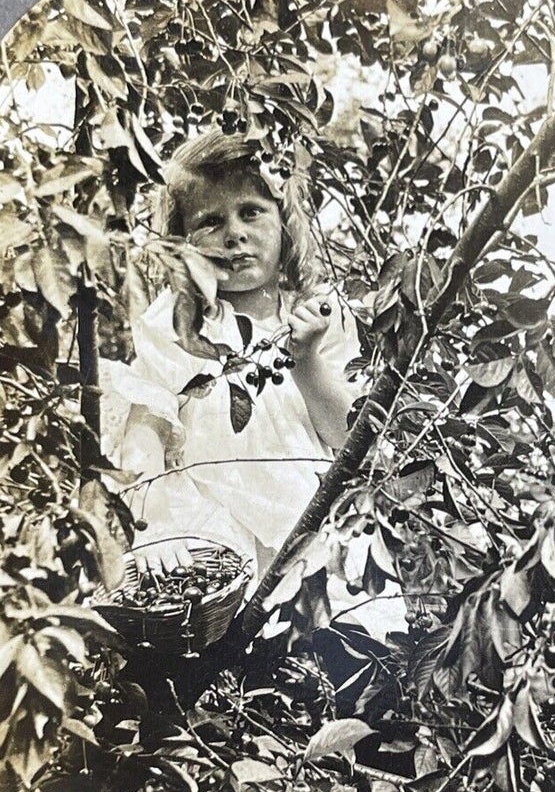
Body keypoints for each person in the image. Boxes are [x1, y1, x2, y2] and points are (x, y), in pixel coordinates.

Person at [98, 129, 362, 585]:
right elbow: (145, 434)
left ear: (283, 222)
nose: (234, 234)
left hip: (308, 517)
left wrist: (307, 360)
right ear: (182, 243)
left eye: (251, 213)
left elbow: (347, 435)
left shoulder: (320, 311)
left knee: (328, 632)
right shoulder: (181, 321)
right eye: (211, 222)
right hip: (213, 521)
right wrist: (157, 525)